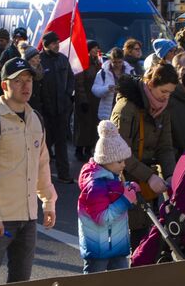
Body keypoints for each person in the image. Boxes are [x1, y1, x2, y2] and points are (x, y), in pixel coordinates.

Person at [0, 57, 57, 286]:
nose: (26, 86)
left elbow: (42, 164)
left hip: (27, 219)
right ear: (4, 85)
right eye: (18, 81)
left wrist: (48, 201)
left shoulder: (35, 119)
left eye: (29, 80)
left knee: (20, 284)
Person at [112, 61, 179, 247]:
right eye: (163, 92)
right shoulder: (126, 108)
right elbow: (119, 153)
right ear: (150, 83)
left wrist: (170, 174)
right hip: (125, 181)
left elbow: (165, 146)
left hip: (147, 183)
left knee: (150, 238)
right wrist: (149, 176)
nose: (166, 97)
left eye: (170, 93)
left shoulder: (162, 108)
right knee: (135, 237)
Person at [77, 120, 138, 273]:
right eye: (120, 161)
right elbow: (102, 217)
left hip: (115, 243)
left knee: (119, 283)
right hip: (98, 248)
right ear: (106, 160)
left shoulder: (113, 177)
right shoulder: (95, 185)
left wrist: (127, 187)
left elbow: (114, 193)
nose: (123, 164)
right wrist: (126, 200)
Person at [37, 30, 76, 182]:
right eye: (54, 43)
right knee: (44, 146)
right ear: (46, 45)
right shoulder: (39, 60)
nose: (57, 45)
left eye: (58, 42)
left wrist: (67, 96)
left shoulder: (62, 59)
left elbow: (71, 78)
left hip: (61, 110)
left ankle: (64, 175)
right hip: (45, 111)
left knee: (61, 144)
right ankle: (42, 177)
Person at [74, 41, 104, 162]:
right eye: (94, 48)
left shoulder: (97, 63)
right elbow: (79, 84)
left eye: (97, 48)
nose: (97, 50)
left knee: (93, 126)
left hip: (95, 100)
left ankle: (89, 149)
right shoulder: (83, 64)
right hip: (85, 100)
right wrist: (83, 100)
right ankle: (79, 150)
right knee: (83, 126)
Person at [93, 47, 133, 124]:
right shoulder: (103, 72)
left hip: (124, 110)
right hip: (108, 111)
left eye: (120, 62)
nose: (117, 65)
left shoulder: (130, 72)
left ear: (123, 60)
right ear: (110, 60)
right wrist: (107, 88)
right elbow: (95, 89)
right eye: (115, 62)